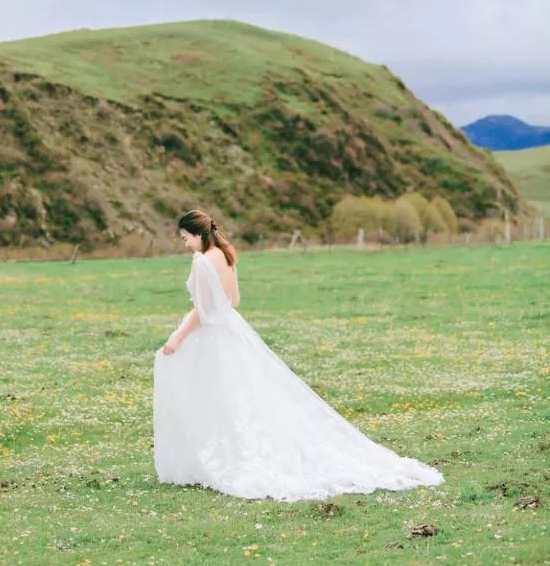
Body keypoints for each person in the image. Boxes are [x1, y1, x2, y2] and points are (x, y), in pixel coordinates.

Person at [153, 209, 444, 501]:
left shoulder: (202, 261)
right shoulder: (227, 256)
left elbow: (204, 312)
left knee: (208, 393)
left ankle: (213, 458)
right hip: (232, 329)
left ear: (197, 234)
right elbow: (235, 301)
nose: (185, 244)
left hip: (212, 334)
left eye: (185, 237)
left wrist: (177, 336)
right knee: (239, 396)